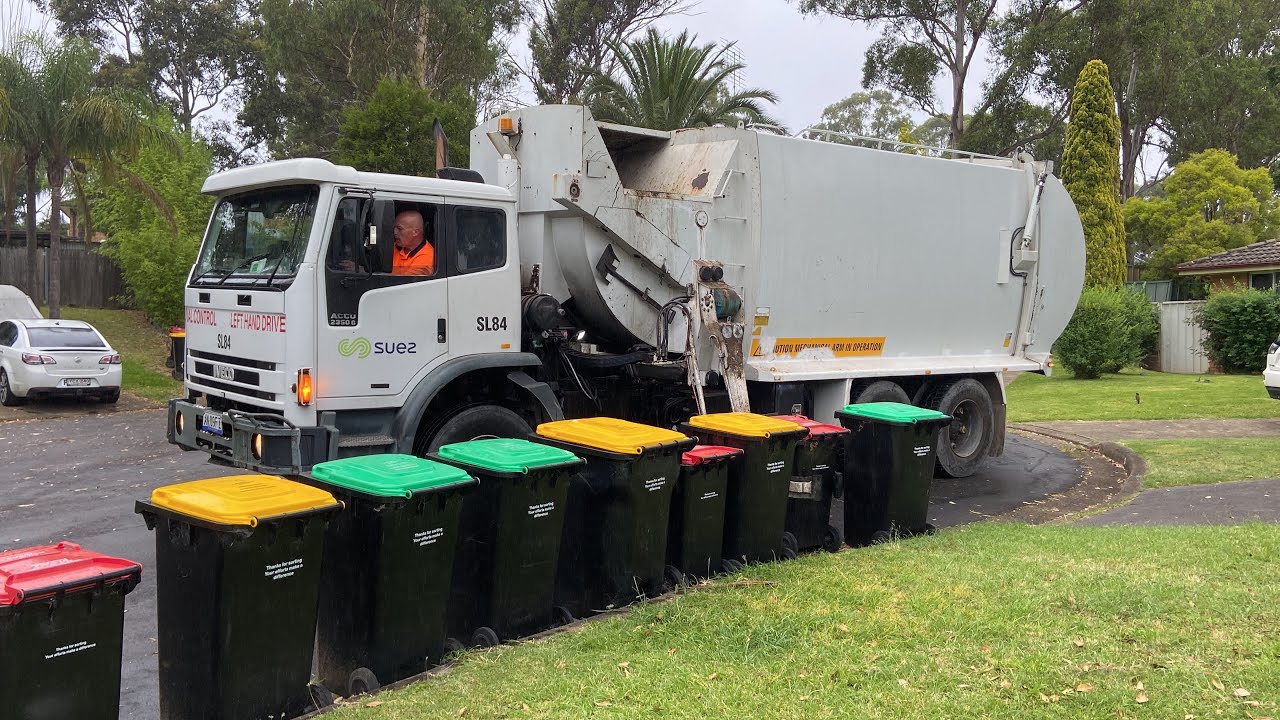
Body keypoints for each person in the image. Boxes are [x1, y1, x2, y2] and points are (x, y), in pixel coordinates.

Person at [392, 209, 434, 276]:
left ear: (415, 232)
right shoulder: (394, 246)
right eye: (394, 228)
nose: (395, 232)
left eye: (399, 229)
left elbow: (404, 282)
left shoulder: (427, 257)